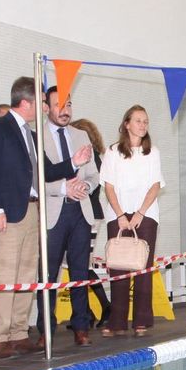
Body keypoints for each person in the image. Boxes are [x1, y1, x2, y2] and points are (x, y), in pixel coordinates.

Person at [0, 77, 91, 359]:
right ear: (25, 102)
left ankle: (18, 332)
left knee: (27, 273)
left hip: (31, 210)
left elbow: (45, 172)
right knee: (6, 274)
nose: (43, 107)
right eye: (41, 101)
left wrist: (74, 163)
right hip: (7, 212)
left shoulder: (31, 134)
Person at [40, 86, 100, 347]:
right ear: (47, 107)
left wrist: (83, 187)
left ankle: (81, 326)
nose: (65, 111)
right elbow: (35, 181)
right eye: (59, 105)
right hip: (54, 210)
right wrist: (64, 188)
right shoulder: (36, 137)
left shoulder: (81, 134)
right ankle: (46, 329)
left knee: (79, 271)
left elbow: (94, 175)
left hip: (80, 211)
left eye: (69, 105)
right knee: (49, 273)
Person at [99, 105, 165, 338]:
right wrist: (120, 215)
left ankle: (142, 320)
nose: (143, 125)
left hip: (145, 215)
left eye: (146, 121)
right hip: (117, 215)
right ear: (126, 124)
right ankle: (117, 322)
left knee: (142, 268)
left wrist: (139, 213)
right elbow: (108, 185)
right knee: (117, 267)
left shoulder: (152, 152)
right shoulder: (113, 152)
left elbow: (155, 185)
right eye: (138, 120)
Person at [71, 117, 112, 323]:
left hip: (88, 215)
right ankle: (86, 312)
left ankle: (105, 307)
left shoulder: (89, 156)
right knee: (78, 264)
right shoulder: (97, 156)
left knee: (81, 265)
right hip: (92, 214)